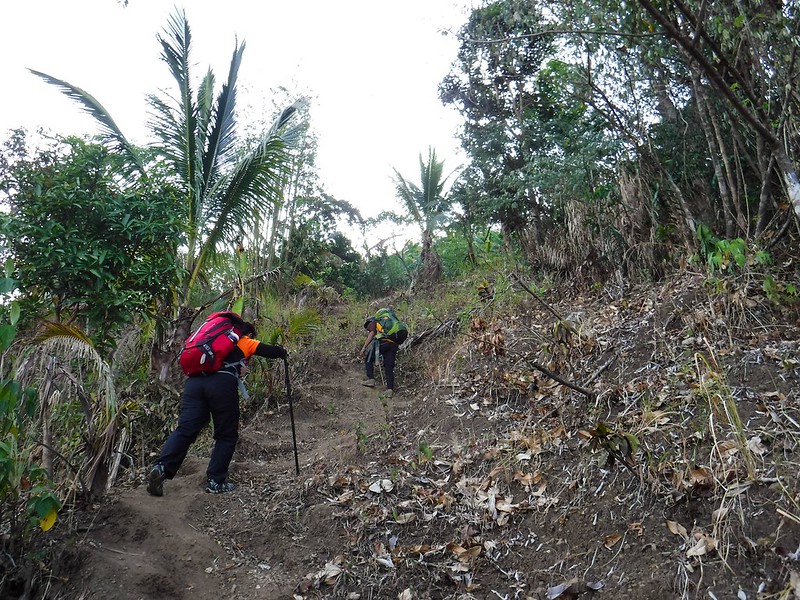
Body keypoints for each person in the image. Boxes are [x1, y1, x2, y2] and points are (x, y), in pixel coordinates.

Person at [147, 318, 287, 496]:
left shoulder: (209, 341)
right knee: (226, 434)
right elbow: (270, 351)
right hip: (221, 383)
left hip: (194, 384)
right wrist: (283, 352)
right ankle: (215, 481)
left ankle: (161, 468)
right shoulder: (244, 340)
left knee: (185, 430)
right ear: (248, 334)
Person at [361, 308, 408, 398]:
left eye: (368, 328)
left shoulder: (376, 321)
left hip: (383, 342)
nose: (368, 330)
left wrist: (364, 348)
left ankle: (371, 379)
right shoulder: (390, 321)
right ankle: (389, 390)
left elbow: (372, 333)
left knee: (368, 358)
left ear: (371, 322)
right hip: (393, 344)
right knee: (389, 366)